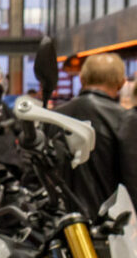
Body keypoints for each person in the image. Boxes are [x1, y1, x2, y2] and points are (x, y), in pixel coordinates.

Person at [55, 51, 137, 217]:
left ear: (81, 79)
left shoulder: (53, 117)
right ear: (121, 83)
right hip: (109, 223)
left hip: (60, 220)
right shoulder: (125, 120)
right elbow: (133, 180)